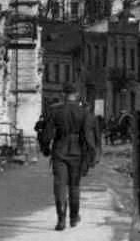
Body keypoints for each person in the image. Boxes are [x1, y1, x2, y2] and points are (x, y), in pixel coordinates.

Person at [40, 83, 98, 231]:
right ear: (76, 94)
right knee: (74, 186)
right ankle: (73, 217)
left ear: (63, 94)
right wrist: (92, 154)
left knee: (59, 185)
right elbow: (88, 136)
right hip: (77, 152)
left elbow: (47, 134)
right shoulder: (83, 112)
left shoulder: (55, 111)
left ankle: (61, 220)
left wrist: (45, 148)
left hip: (59, 150)